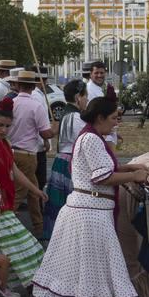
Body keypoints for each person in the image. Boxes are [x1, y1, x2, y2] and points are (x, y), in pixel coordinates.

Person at [30, 96, 149, 297]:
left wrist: (128, 168)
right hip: (90, 213)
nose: (116, 123)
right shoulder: (92, 139)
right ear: (100, 117)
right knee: (93, 270)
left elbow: (101, 169)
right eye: (114, 118)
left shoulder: (91, 137)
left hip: (88, 211)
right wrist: (133, 176)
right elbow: (101, 176)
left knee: (79, 270)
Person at [0, 97, 47, 288]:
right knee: (11, 239)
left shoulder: (4, 142)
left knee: (5, 241)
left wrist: (35, 190)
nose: (4, 129)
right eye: (0, 125)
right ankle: (0, 283)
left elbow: (15, 171)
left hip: (2, 196)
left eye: (8, 126)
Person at [7, 69, 55, 240]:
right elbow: (45, 133)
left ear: (18, 85)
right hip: (27, 155)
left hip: (11, 152)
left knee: (34, 192)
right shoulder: (36, 106)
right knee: (19, 194)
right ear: (34, 86)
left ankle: (39, 227)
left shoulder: (10, 103)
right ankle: (4, 230)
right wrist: (54, 130)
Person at [44, 78, 88, 231]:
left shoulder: (66, 113)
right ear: (78, 97)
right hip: (69, 163)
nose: (87, 100)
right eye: (85, 96)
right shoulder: (75, 118)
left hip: (61, 160)